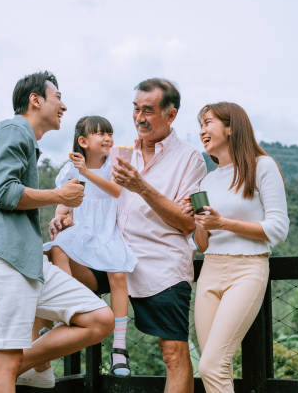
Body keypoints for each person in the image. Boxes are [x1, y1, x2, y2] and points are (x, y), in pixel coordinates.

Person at [0, 71, 114, 393]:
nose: (64, 106)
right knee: (3, 365)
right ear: (36, 99)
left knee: (100, 319)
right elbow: (3, 193)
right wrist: (59, 197)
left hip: (28, 260)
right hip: (2, 257)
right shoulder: (13, 129)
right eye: (58, 97)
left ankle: (22, 365)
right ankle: (8, 367)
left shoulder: (26, 141)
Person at [180, 102, 289, 393]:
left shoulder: (261, 166)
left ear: (231, 127)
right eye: (200, 125)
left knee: (211, 365)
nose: (202, 130)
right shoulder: (207, 180)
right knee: (215, 367)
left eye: (208, 122)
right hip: (211, 270)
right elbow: (202, 244)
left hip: (248, 268)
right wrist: (200, 223)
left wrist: (224, 223)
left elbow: (278, 229)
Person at [111, 78, 207, 392]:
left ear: (171, 114)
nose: (139, 117)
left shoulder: (190, 159)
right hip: (114, 259)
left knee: (173, 351)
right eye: (136, 109)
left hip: (162, 264)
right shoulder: (122, 152)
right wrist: (63, 214)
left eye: (148, 110)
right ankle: (31, 362)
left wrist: (140, 186)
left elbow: (185, 223)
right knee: (55, 267)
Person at [44, 115, 138, 377]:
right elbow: (64, 203)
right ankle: (66, 310)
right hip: (82, 232)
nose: (108, 137)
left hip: (108, 232)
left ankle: (119, 348)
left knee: (118, 274)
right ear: (83, 141)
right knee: (57, 246)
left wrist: (87, 173)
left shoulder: (115, 165)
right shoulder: (70, 169)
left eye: (110, 132)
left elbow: (117, 192)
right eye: (100, 134)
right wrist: (58, 216)